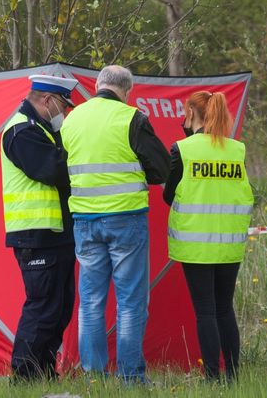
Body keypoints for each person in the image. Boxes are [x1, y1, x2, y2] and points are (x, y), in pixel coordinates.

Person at [60, 65, 170, 383]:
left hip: (84, 221)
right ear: (127, 91)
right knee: (131, 302)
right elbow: (161, 168)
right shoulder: (132, 118)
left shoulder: (73, 119)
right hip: (126, 220)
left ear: (97, 85)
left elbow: (61, 166)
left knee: (91, 300)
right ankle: (131, 377)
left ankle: (94, 375)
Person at [162, 91, 254, 383]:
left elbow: (168, 194)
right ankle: (234, 376)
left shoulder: (183, 149)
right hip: (228, 244)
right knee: (225, 308)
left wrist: (186, 135)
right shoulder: (236, 150)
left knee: (206, 312)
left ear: (191, 114)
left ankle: (213, 377)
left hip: (196, 246)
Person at [0, 74, 79, 381]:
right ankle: (23, 377)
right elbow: (53, 170)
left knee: (59, 309)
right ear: (47, 101)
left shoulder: (43, 130)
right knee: (43, 308)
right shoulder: (21, 131)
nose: (65, 113)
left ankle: (43, 372)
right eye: (63, 105)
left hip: (55, 235)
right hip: (36, 235)